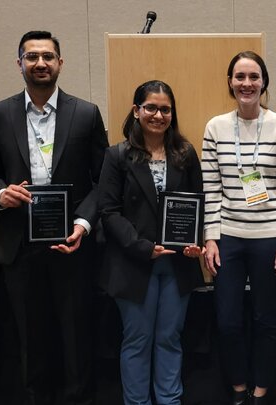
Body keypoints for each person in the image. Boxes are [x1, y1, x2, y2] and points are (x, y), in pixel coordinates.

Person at [0, 30, 108, 404]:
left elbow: (103, 181)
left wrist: (82, 223)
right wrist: (1, 193)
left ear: (61, 63)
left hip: (72, 245)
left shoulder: (86, 113)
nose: (41, 63)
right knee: (31, 344)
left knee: (77, 342)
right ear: (19, 64)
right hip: (20, 245)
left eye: (48, 56)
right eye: (32, 57)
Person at [201, 51, 276, 405]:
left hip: (269, 238)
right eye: (240, 77)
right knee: (227, 321)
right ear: (230, 82)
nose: (247, 84)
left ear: (264, 82)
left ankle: (261, 391)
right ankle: (238, 387)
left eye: (254, 77)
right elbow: (210, 189)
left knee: (265, 320)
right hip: (228, 237)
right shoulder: (215, 127)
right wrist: (210, 238)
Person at [98, 80, 205, 405]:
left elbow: (198, 202)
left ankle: (170, 401)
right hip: (133, 264)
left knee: (170, 338)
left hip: (176, 264)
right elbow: (108, 211)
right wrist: (143, 247)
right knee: (138, 340)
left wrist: (195, 241)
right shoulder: (117, 155)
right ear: (136, 110)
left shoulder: (185, 154)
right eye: (151, 108)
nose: (158, 115)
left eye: (165, 109)